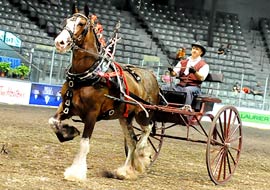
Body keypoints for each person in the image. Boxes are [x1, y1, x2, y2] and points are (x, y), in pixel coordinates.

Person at [162, 41, 209, 106]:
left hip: (194, 87)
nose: (194, 50)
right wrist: (171, 71)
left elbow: (201, 78)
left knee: (187, 90)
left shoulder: (204, 65)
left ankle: (186, 108)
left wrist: (195, 72)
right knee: (165, 87)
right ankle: (162, 105)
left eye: (197, 49)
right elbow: (174, 74)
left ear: (201, 52)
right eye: (193, 48)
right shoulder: (182, 62)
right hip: (180, 86)